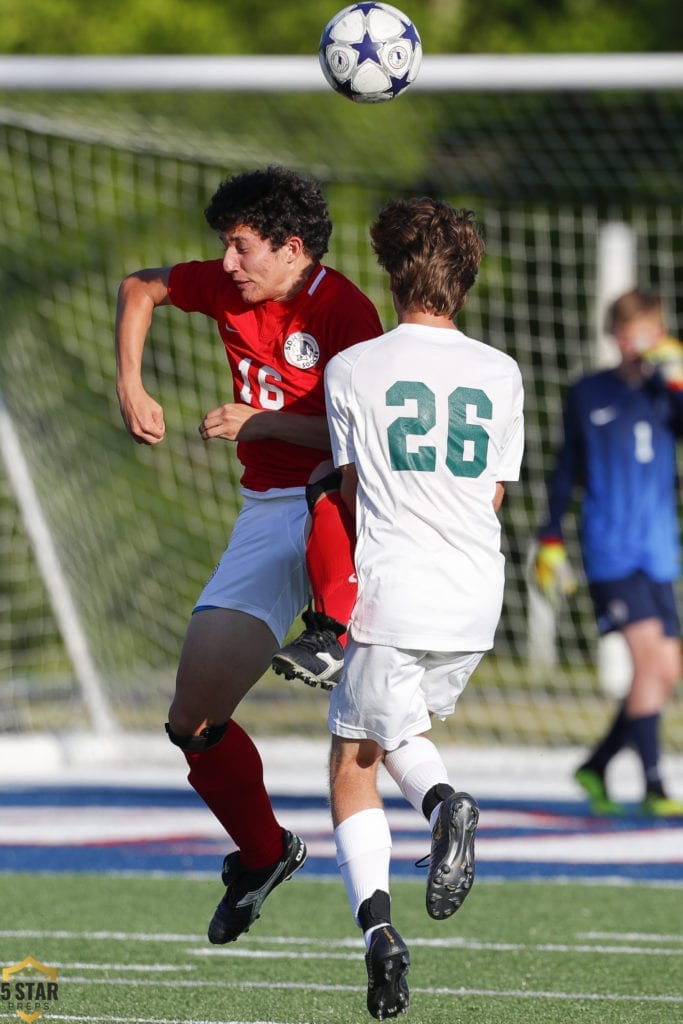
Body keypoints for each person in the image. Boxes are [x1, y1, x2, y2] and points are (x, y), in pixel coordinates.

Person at [115, 165, 383, 942]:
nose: (226, 265)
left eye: (240, 248)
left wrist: (259, 425)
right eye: (223, 250)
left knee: (386, 728)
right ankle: (264, 854)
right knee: (191, 720)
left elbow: (363, 442)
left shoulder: (345, 311)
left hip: (347, 512)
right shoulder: (229, 289)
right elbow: (141, 286)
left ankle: (332, 628)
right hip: (267, 516)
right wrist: (130, 385)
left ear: (290, 248)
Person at [320, 197, 525, 1019]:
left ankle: (380, 929)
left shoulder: (355, 368)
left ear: (390, 271)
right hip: (475, 591)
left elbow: (348, 492)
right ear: (466, 281)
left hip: (393, 586)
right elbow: (495, 491)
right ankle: (444, 806)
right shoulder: (501, 370)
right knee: (394, 729)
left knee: (349, 762)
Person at [535, 288, 683, 817]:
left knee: (666, 669)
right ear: (614, 335)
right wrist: (549, 537)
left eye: (646, 330)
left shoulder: (667, 392)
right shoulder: (588, 393)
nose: (636, 342)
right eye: (628, 332)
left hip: (659, 551)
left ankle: (596, 765)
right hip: (609, 551)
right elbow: (566, 470)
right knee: (648, 662)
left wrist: (677, 378)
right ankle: (653, 785)